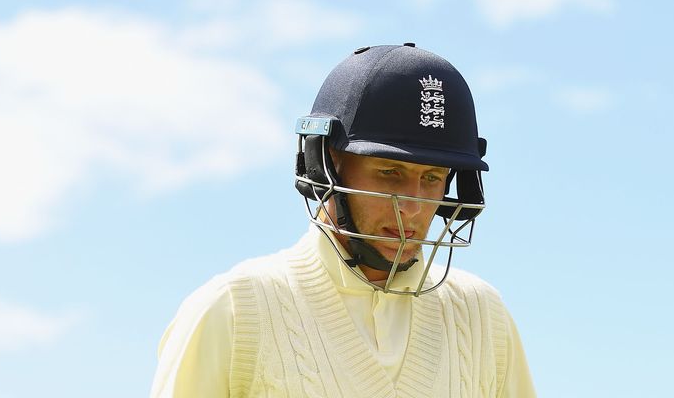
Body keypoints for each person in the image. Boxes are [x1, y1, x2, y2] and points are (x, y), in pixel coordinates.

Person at [150, 43, 535, 397]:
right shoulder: (232, 311)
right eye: (389, 172)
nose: (414, 207)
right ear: (327, 166)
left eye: (432, 178)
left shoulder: (483, 317)